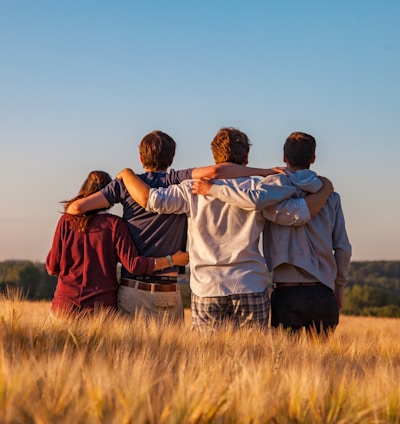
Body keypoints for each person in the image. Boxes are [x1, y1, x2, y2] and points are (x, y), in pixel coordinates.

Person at [117, 128, 333, 331]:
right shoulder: (259, 188)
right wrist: (324, 190)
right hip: (250, 284)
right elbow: (295, 215)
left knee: (207, 360)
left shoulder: (191, 188)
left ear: (215, 158)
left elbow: (152, 200)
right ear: (246, 159)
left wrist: (127, 174)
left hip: (207, 287)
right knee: (254, 360)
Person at [65, 130, 278, 322]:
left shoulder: (124, 184)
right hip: (168, 290)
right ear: (172, 158)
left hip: (132, 289)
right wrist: (264, 172)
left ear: (141, 158)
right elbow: (215, 172)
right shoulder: (176, 180)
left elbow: (75, 209)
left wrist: (112, 220)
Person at [193, 131, 352, 335]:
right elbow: (343, 248)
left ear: (284, 157)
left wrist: (213, 190)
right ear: (313, 158)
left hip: (287, 292)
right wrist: (339, 288)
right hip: (323, 292)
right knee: (322, 364)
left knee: (285, 363)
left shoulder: (271, 191)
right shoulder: (330, 196)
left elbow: (252, 200)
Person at [47, 170, 189, 317]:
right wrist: (172, 260)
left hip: (64, 306)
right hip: (101, 309)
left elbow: (52, 267)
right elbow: (134, 265)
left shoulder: (66, 221)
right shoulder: (115, 225)